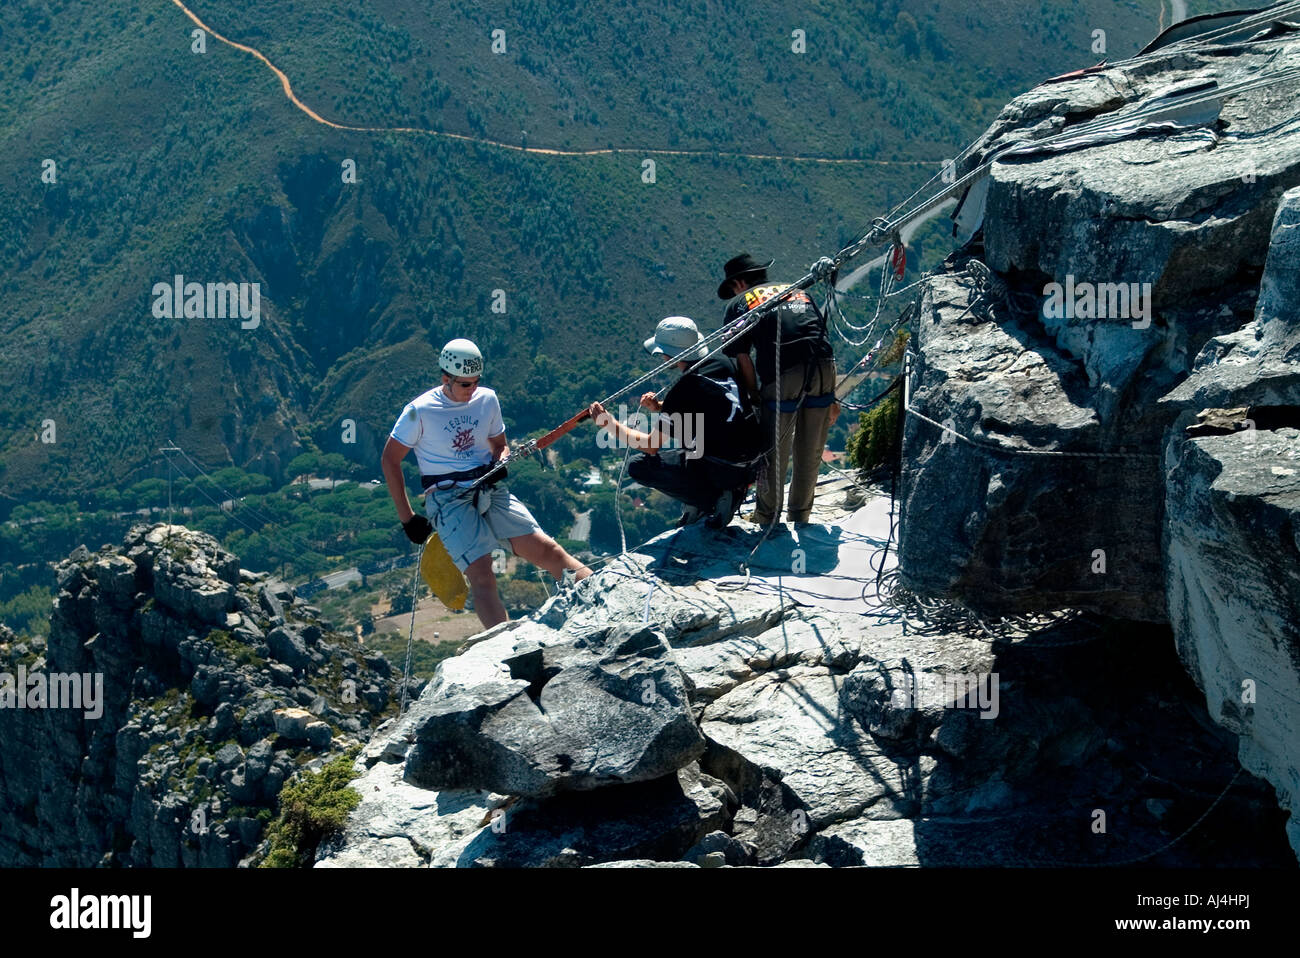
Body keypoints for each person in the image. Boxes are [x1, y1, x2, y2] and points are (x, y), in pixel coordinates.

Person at [381, 338, 590, 628]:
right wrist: (408, 519)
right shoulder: (419, 411)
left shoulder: (487, 399)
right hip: (447, 498)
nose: (472, 390)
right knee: (482, 573)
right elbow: (390, 460)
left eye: (476, 382)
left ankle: (599, 596)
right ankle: (504, 645)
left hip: (487, 485)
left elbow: (499, 445)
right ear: (446, 378)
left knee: (547, 551)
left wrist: (499, 461)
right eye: (465, 384)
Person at [588, 316, 764, 529]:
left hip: (724, 468)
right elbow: (714, 404)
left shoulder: (682, 391)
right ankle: (720, 492)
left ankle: (711, 499)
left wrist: (607, 423)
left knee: (640, 466)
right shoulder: (723, 362)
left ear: (668, 354)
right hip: (753, 463)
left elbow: (650, 446)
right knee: (689, 434)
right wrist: (662, 407)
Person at [717, 253, 838, 525]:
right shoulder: (796, 289)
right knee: (811, 448)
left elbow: (743, 358)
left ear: (739, 283)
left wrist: (755, 397)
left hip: (784, 374)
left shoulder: (739, 303)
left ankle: (767, 516)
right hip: (824, 366)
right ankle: (800, 516)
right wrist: (833, 396)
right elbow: (818, 332)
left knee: (773, 452)